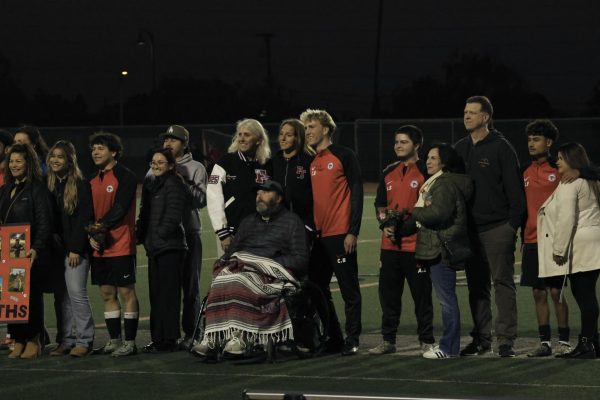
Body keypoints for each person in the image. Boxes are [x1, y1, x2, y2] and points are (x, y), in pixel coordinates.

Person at [192, 180, 309, 357]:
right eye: (257, 193)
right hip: (244, 268)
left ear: (278, 199)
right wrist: (225, 263)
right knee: (222, 279)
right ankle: (213, 338)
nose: (259, 196)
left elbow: (300, 259)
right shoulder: (248, 222)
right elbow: (232, 252)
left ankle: (241, 337)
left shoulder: (292, 222)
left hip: (272, 274)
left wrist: (266, 262)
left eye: (265, 192)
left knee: (239, 280)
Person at [454, 95, 526, 357]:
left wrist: (512, 227)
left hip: (497, 228)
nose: (467, 116)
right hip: (469, 231)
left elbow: (515, 192)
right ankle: (481, 338)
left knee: (503, 283)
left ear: (485, 117)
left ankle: (505, 340)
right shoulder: (460, 148)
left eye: (472, 112)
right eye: (465, 112)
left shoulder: (502, 147)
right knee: (477, 286)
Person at [301, 108, 363, 356]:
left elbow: (357, 191)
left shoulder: (344, 155)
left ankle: (353, 338)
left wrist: (353, 231)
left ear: (325, 129)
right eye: (305, 128)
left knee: (349, 290)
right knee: (316, 287)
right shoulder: (311, 161)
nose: (307, 132)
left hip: (340, 234)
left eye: (312, 127)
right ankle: (333, 336)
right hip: (318, 236)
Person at [369, 125, 435, 356]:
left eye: (404, 142)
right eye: (396, 142)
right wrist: (385, 223)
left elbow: (429, 207)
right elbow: (379, 205)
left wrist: (408, 226)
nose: (398, 145)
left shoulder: (425, 172)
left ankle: (426, 341)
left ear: (416, 145)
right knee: (388, 295)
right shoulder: (388, 171)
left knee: (421, 296)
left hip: (416, 245)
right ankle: (388, 340)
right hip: (389, 245)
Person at [403, 143, 472, 359]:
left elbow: (437, 214)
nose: (429, 161)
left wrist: (413, 210)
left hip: (441, 247)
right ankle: (449, 346)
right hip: (439, 246)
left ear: (444, 162)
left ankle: (449, 348)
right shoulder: (442, 182)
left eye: (434, 158)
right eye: (428, 157)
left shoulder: (443, 184)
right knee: (446, 298)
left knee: (446, 300)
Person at [538, 142, 600, 359]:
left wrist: (559, 248)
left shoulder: (570, 183)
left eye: (561, 158)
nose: (557, 161)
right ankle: (594, 341)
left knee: (584, 296)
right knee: (588, 294)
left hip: (581, 243)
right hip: (595, 240)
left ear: (572, 161)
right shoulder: (591, 180)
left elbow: (566, 219)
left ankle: (586, 344)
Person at [520, 120, 571, 357]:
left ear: (548, 142)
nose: (531, 143)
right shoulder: (525, 171)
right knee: (538, 293)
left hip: (554, 240)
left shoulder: (559, 169)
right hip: (531, 240)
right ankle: (545, 343)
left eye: (536, 139)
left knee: (556, 292)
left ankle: (564, 341)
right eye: (530, 139)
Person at [88, 132, 139, 357]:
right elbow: (88, 213)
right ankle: (114, 340)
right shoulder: (91, 180)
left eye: (100, 148)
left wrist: (98, 229)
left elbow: (120, 209)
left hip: (121, 244)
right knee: (107, 293)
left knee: (126, 292)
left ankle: (130, 342)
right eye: (93, 149)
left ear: (114, 152)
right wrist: (90, 234)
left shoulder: (125, 176)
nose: (95, 152)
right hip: (99, 246)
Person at [158, 125, 207, 349]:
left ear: (184, 144)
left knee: (190, 288)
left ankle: (193, 333)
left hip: (188, 233)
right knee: (165, 289)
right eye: (166, 139)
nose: (168, 143)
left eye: (174, 140)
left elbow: (201, 200)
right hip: (164, 237)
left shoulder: (196, 168)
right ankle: (166, 336)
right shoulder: (156, 166)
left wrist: (180, 179)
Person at [0, 143, 51, 359]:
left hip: (27, 246)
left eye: (18, 161)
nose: (14, 165)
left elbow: (44, 221)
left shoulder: (37, 188)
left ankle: (34, 339)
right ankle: (18, 338)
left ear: (28, 163)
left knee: (30, 296)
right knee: (13, 297)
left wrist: (37, 248)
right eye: (11, 161)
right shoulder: (5, 189)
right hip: (9, 247)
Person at [45, 141, 95, 357]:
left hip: (75, 251)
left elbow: (85, 218)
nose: (55, 160)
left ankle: (85, 340)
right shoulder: (49, 184)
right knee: (61, 297)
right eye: (53, 157)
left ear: (69, 160)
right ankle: (66, 340)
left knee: (76, 294)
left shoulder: (80, 184)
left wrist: (76, 248)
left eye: (60, 157)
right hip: (56, 251)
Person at [138, 148, 190, 353]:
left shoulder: (175, 184)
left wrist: (157, 236)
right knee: (156, 295)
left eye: (160, 162)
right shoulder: (151, 185)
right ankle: (158, 338)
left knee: (168, 295)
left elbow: (173, 217)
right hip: (155, 247)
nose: (156, 165)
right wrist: (141, 236)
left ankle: (170, 338)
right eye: (153, 162)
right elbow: (145, 214)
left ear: (170, 165)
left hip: (171, 247)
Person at [207, 119, 272, 256]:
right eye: (240, 134)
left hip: (261, 234)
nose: (241, 139)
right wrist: (222, 232)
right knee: (230, 276)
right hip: (231, 235)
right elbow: (213, 196)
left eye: (247, 135)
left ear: (259, 140)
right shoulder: (225, 162)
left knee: (259, 276)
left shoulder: (267, 164)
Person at [271, 118, 315, 233]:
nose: (283, 138)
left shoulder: (309, 161)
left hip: (303, 223)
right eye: (281, 134)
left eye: (289, 135)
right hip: (277, 223)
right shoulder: (273, 161)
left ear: (298, 138)